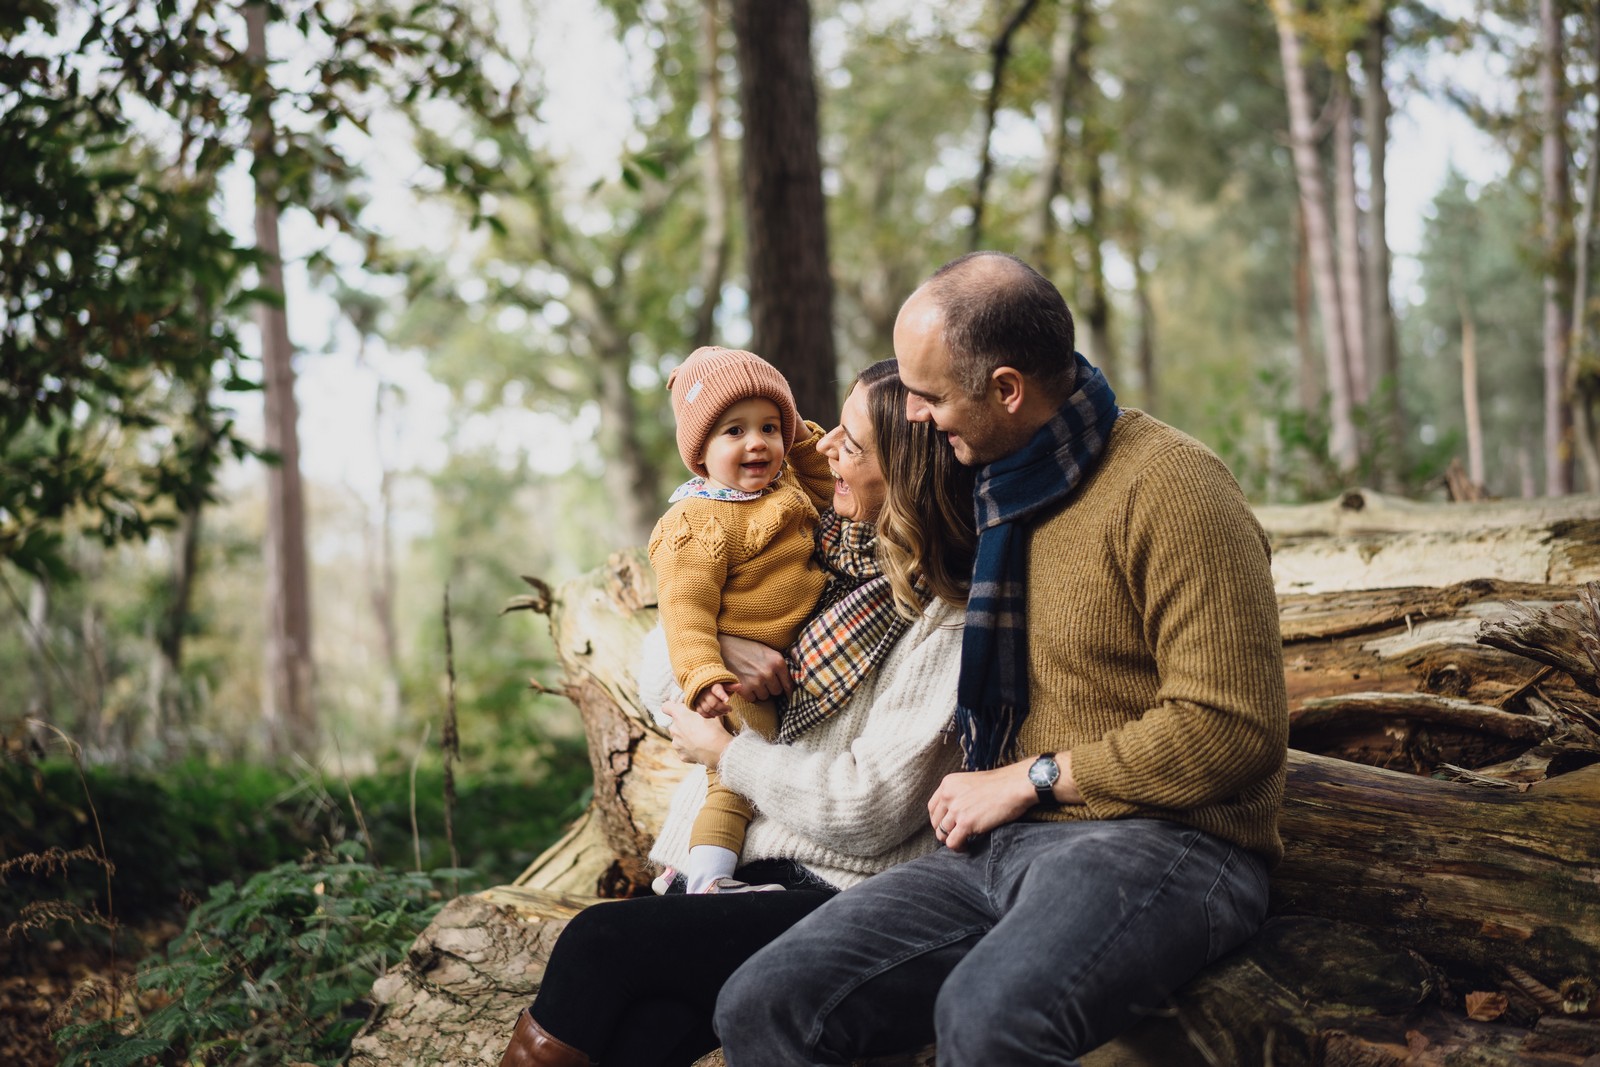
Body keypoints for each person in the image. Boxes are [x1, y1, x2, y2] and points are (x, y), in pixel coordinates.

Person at [715, 252, 1290, 1066]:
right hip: (1006, 846)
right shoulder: (995, 488)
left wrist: (1031, 776)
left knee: (988, 1017)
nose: (911, 415)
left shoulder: (1173, 488)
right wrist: (718, 636)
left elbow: (1233, 729)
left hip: (1169, 844)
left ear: (1008, 389)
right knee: (765, 1000)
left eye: (930, 395)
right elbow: (817, 550)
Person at [496, 360, 978, 1067]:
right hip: (751, 865)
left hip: (849, 892)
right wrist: (723, 643)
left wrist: (731, 757)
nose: (826, 445)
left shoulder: (950, 616)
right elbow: (660, 671)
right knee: (646, 1033)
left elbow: (871, 808)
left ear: (905, 470)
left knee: (598, 941)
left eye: (854, 442)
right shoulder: (835, 552)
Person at [643, 345, 835, 894]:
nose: (757, 442)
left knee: (738, 778)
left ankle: (699, 874)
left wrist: (801, 438)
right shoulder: (695, 521)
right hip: (738, 685)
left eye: (770, 427)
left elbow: (829, 487)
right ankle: (706, 879)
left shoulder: (785, 488)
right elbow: (685, 611)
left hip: (784, 664)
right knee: (732, 783)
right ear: (699, 453)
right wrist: (704, 675)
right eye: (734, 431)